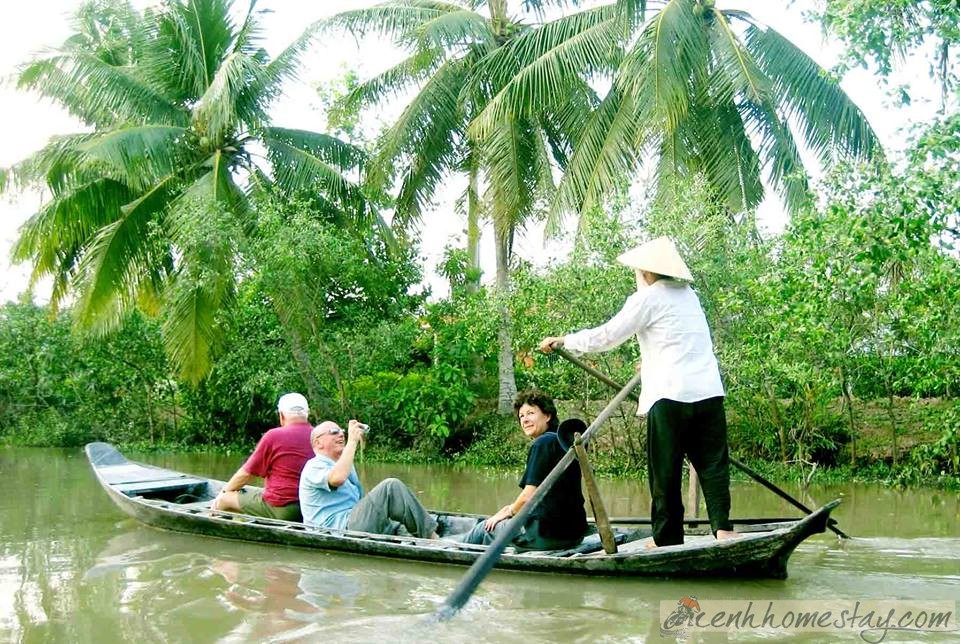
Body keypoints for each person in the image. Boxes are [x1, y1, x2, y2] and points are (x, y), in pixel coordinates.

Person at [539, 236, 737, 547]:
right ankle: (723, 529)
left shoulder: (647, 299)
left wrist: (564, 340)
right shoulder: (690, 296)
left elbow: (606, 336)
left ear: (645, 272)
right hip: (708, 391)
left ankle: (667, 538)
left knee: (665, 471)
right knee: (713, 464)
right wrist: (649, 362)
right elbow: (680, 340)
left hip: (670, 396)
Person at [460, 389, 588, 550]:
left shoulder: (542, 444)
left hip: (547, 535)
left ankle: (452, 551)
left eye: (531, 413)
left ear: (547, 416)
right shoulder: (565, 444)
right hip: (574, 535)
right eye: (521, 416)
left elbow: (528, 497)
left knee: (484, 528)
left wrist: (509, 511)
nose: (525, 420)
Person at [299, 419, 438, 539]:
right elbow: (337, 479)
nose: (341, 434)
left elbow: (359, 500)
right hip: (338, 529)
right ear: (318, 443)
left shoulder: (344, 464)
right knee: (390, 487)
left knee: (394, 517)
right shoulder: (313, 466)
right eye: (334, 432)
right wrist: (352, 441)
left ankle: (416, 534)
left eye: (342, 430)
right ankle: (433, 539)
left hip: (352, 521)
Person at [211, 392, 314, 521]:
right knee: (247, 493)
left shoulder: (274, 436)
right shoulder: (318, 436)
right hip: (309, 508)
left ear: (281, 415)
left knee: (224, 499)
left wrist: (222, 494)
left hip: (282, 509)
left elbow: (245, 475)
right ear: (307, 414)